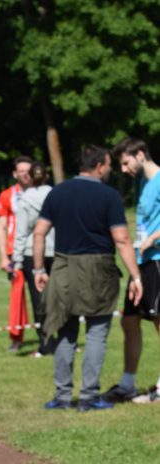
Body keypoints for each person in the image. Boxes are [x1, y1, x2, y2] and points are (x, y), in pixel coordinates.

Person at [33, 145, 143, 411]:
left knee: (65, 330)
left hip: (63, 266)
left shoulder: (57, 192)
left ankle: (62, 396)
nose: (110, 169)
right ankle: (89, 396)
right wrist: (136, 276)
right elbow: (121, 238)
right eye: (108, 165)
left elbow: (39, 232)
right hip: (99, 267)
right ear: (99, 166)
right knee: (96, 333)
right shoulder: (109, 195)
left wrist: (38, 269)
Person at [101, 137, 160, 404]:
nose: (124, 170)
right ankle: (127, 384)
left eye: (126, 163)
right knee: (129, 320)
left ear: (141, 154)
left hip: (156, 259)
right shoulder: (144, 183)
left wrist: (153, 239)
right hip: (142, 261)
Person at [12, 161, 55, 355]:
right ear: (46, 176)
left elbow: (21, 231)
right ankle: (63, 339)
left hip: (32, 252)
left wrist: (17, 259)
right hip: (55, 250)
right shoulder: (55, 194)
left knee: (39, 300)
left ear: (29, 176)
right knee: (57, 297)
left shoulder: (25, 199)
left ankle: (46, 343)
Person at [0, 155, 33, 350]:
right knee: (17, 294)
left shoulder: (40, 192)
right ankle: (16, 337)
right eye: (21, 171)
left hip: (37, 249)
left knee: (43, 293)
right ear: (15, 173)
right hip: (14, 251)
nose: (25, 174)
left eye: (28, 171)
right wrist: (3, 257)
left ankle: (48, 334)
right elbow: (1, 227)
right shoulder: (7, 195)